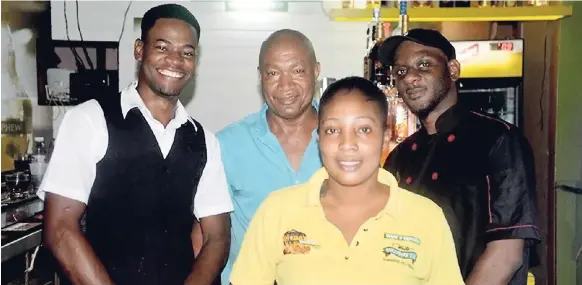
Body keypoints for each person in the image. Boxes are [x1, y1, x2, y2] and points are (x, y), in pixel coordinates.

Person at [39, 4, 233, 285]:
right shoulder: (89, 120)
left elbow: (217, 236)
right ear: (140, 50)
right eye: (163, 48)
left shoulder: (204, 141)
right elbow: (60, 229)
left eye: (187, 53)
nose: (175, 60)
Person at [229, 76, 464, 285]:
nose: (347, 144)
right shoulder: (277, 211)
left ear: (384, 137)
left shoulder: (425, 217)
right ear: (318, 138)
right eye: (333, 130)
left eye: (363, 129)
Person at [379, 28, 541, 285]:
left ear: (453, 70)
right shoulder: (398, 158)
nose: (410, 77)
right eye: (401, 71)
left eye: (423, 64)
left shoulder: (498, 140)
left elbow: (507, 255)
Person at [198, 29, 324, 285]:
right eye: (273, 73)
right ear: (260, 77)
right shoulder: (226, 145)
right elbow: (203, 234)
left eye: (297, 71)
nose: (285, 86)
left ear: (316, 71)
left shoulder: (344, 141)